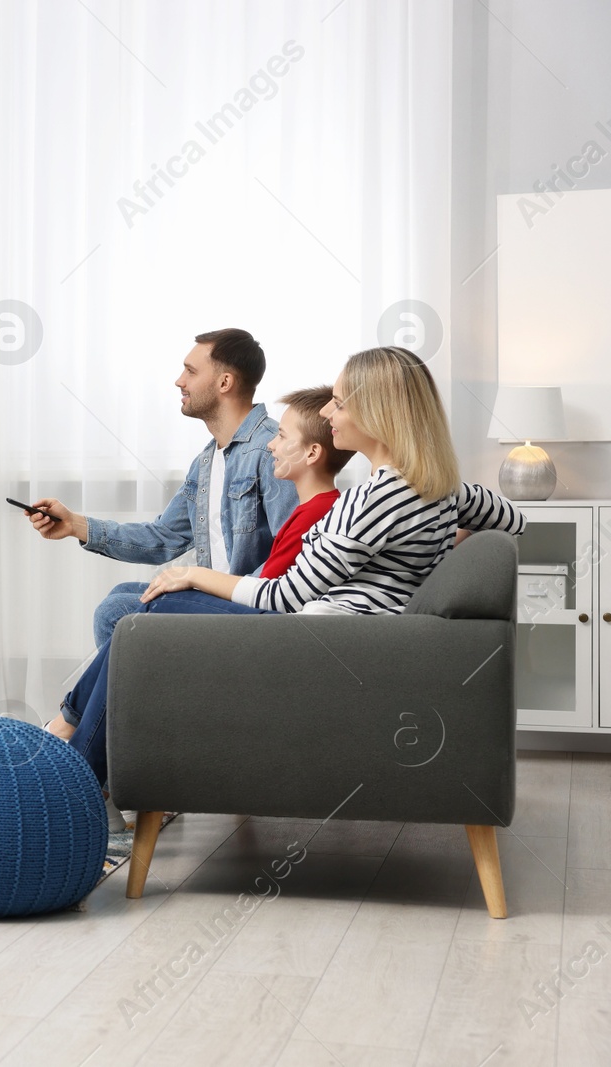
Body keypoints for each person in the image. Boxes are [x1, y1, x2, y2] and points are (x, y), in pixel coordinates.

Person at [56, 347, 525, 826]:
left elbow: (286, 596)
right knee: (140, 612)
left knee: (143, 618)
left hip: (315, 642)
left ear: (379, 412)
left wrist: (195, 574)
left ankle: (74, 775)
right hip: (336, 636)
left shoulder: (379, 497)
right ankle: (78, 762)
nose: (328, 411)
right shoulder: (438, 485)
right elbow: (512, 518)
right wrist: (437, 550)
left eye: (339, 402)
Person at [27, 329, 299, 648]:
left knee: (115, 612)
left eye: (191, 371)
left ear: (225, 383)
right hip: (220, 597)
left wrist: (222, 588)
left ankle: (102, 701)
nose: (179, 381)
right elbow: (163, 538)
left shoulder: (272, 449)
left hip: (249, 605)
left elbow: (292, 551)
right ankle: (119, 699)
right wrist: (75, 525)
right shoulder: (208, 461)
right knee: (122, 594)